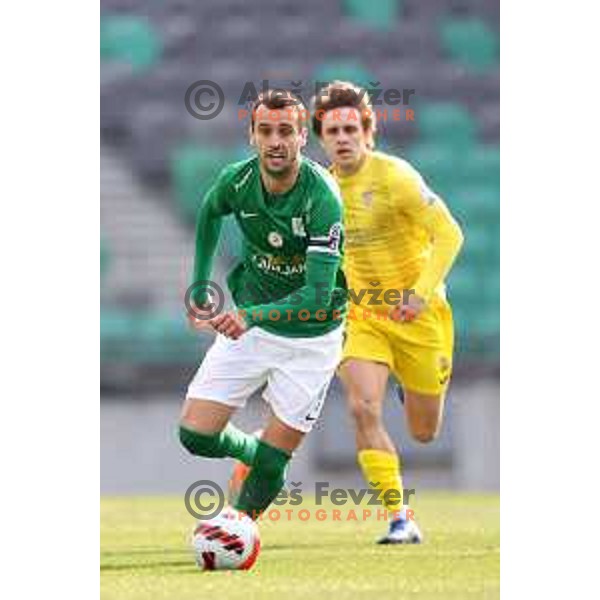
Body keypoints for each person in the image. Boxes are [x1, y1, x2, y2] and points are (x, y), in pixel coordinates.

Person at [179, 89, 347, 520]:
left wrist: (249, 316)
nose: (276, 141)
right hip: (251, 327)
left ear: (301, 139)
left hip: (311, 338)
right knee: (195, 436)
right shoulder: (236, 180)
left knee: (275, 462)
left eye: (286, 131)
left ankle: (237, 529)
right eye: (266, 131)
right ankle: (250, 450)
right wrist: (200, 282)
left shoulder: (322, 197)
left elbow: (316, 295)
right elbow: (210, 211)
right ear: (252, 135)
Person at [312, 81, 464, 543]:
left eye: (350, 128)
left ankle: (407, 385)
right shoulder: (320, 189)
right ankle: (400, 517)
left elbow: (450, 234)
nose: (342, 137)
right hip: (364, 318)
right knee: (361, 408)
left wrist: (419, 293)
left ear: (368, 133)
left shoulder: (395, 176)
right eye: (333, 130)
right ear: (321, 137)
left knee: (424, 432)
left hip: (419, 315)